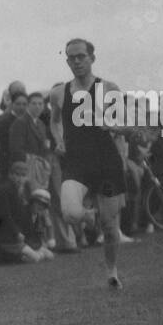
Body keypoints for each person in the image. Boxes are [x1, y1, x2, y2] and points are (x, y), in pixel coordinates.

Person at [49, 38, 129, 288]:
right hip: (76, 162)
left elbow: (126, 126)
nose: (76, 61)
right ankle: (90, 217)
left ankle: (112, 271)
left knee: (110, 226)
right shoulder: (59, 93)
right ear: (67, 61)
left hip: (106, 161)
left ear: (92, 58)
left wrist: (112, 125)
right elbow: (54, 121)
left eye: (81, 56)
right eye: (71, 57)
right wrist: (59, 138)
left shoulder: (108, 88)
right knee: (71, 212)